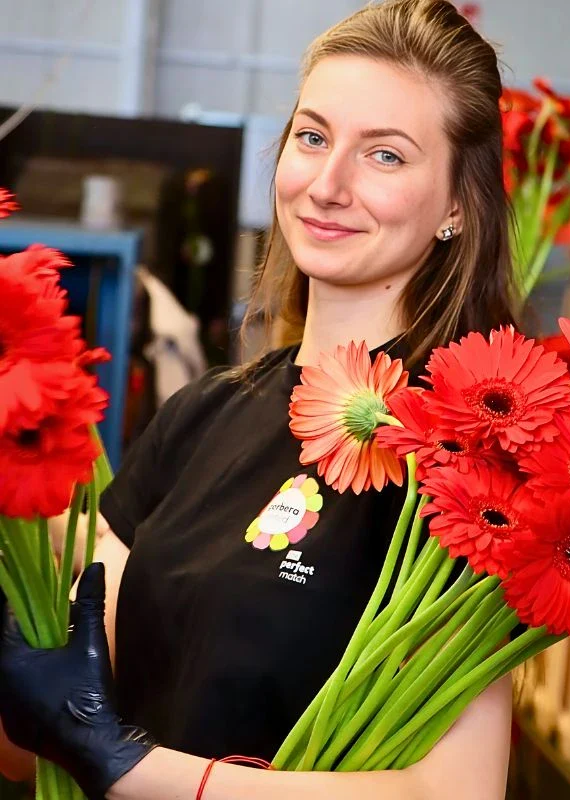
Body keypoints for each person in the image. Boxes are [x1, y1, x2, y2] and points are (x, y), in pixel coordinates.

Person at [0, 1, 520, 797]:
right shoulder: (200, 415)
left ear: (458, 204)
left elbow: (455, 791)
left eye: (384, 155)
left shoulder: (464, 459)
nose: (328, 185)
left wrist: (134, 770)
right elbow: (41, 736)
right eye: (312, 138)